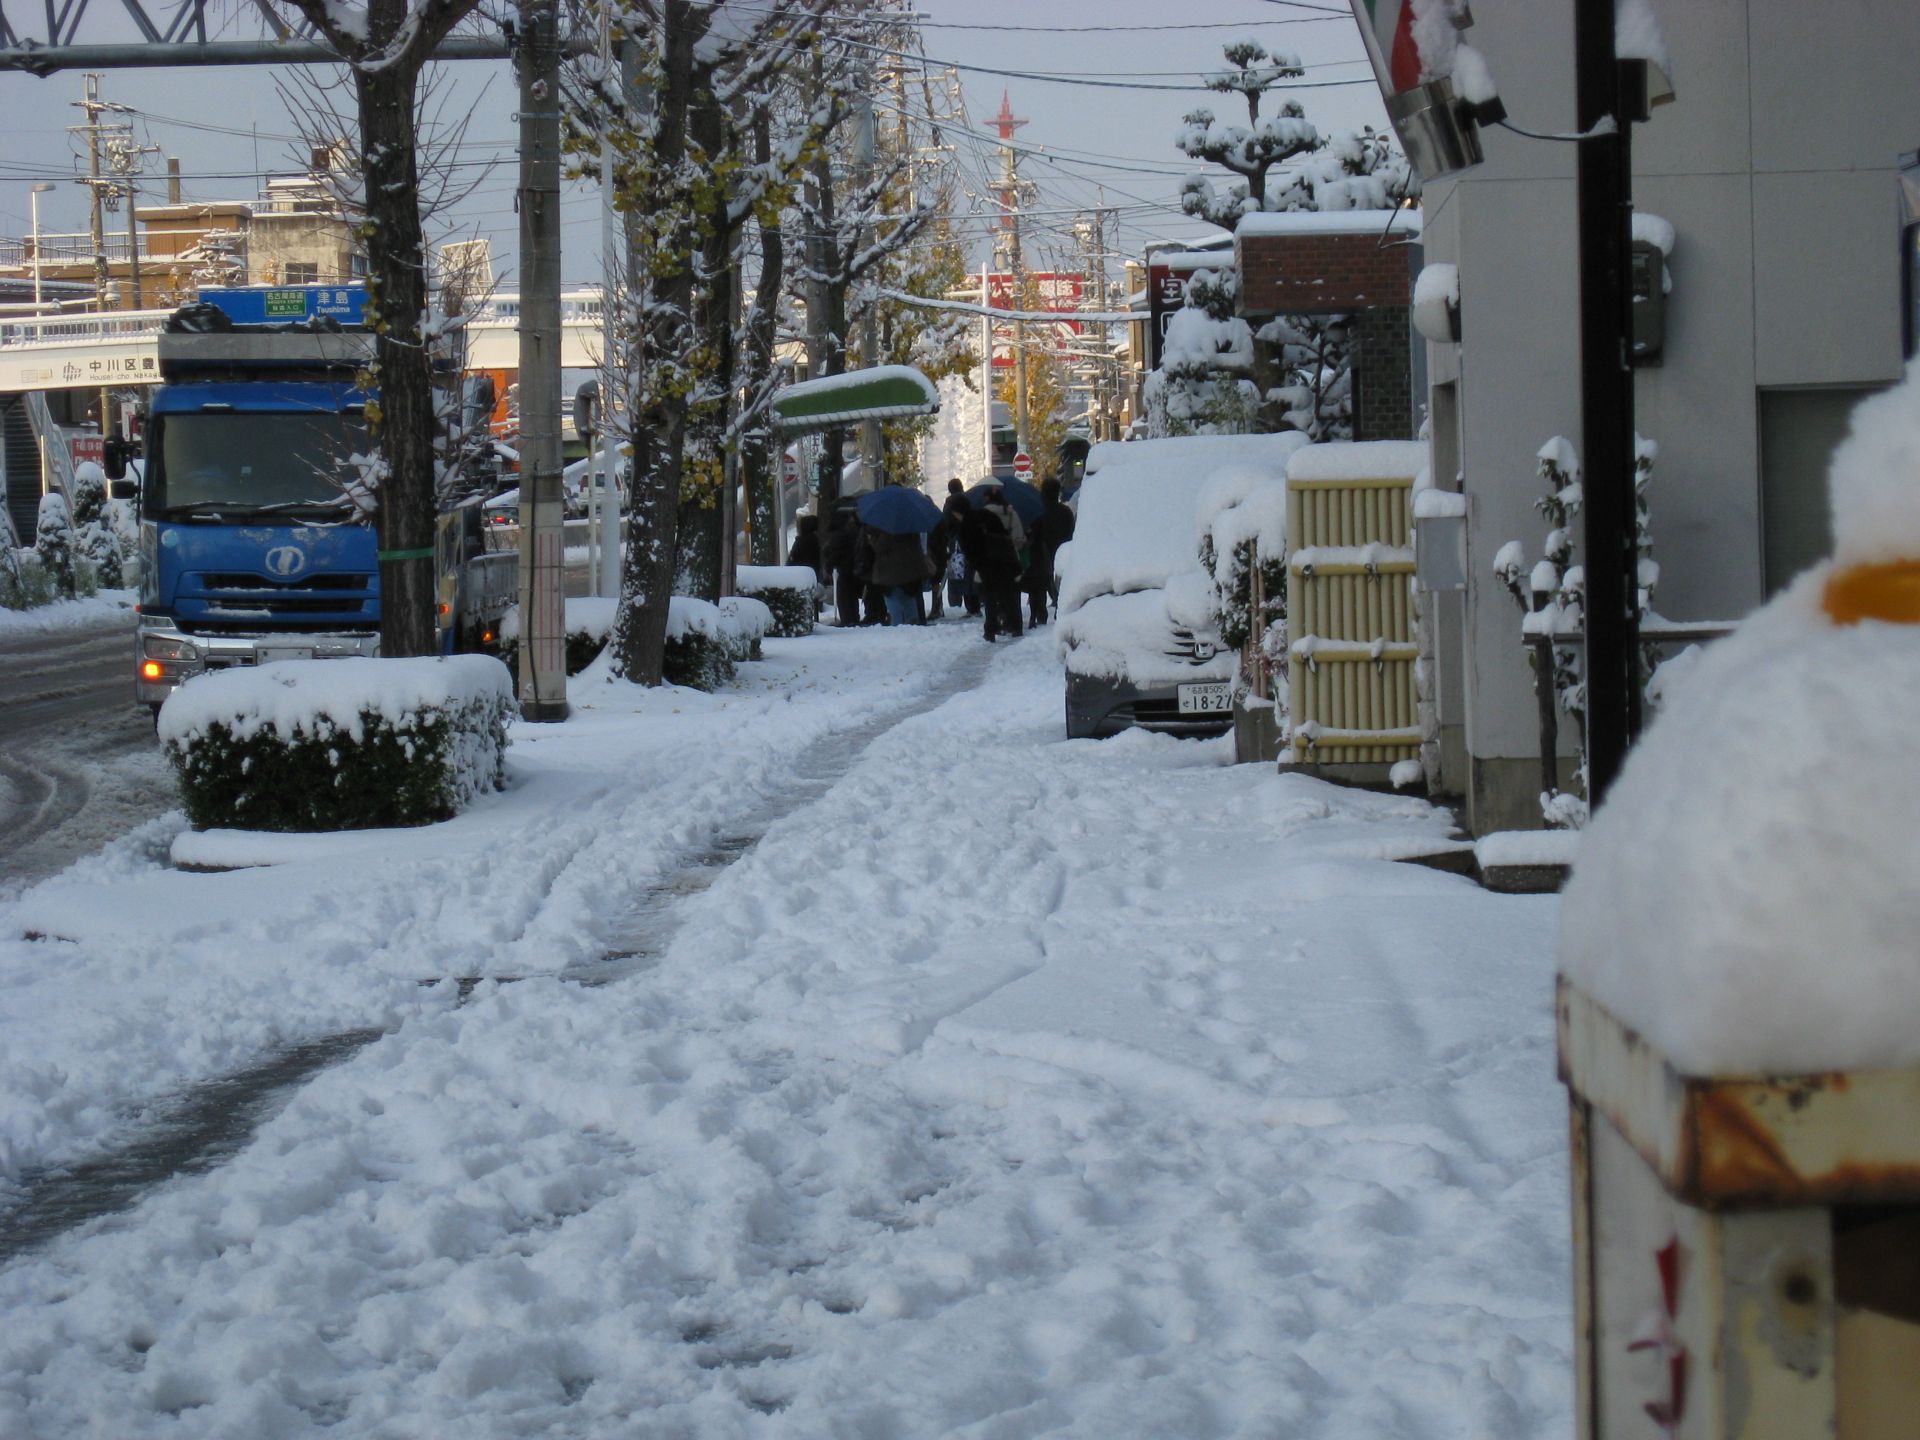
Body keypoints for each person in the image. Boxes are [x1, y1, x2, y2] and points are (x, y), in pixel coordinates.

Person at [962, 485, 1024, 642]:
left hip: (987, 560)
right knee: (1011, 594)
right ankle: (1014, 625)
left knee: (989, 594)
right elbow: (1018, 537)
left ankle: (992, 626)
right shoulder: (1011, 513)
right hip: (1008, 558)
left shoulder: (982, 515)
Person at [1027, 477, 1077, 626]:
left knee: (1040, 584)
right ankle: (1060, 607)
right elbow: (1072, 531)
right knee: (1062, 581)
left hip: (1042, 554)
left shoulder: (1038, 512)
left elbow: (1034, 534)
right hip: (1063, 551)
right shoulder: (1066, 511)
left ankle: (1039, 613)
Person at [868, 524, 932, 628]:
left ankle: (898, 629)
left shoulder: (888, 527)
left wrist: (872, 538)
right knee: (909, 602)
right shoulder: (911, 526)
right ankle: (913, 626)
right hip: (910, 571)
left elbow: (881, 546)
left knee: (894, 603)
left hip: (892, 572)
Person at [821, 501, 863, 626]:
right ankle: (852, 618)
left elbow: (835, 552)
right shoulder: (854, 529)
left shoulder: (840, 533)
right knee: (851, 597)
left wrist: (828, 566)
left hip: (844, 569)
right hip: (852, 568)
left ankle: (848, 620)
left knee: (845, 597)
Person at [941, 478, 978, 616]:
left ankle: (956, 602)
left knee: (957, 573)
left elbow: (945, 524)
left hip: (955, 542)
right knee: (970, 572)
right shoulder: (970, 500)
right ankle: (973, 604)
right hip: (970, 541)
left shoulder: (949, 503)